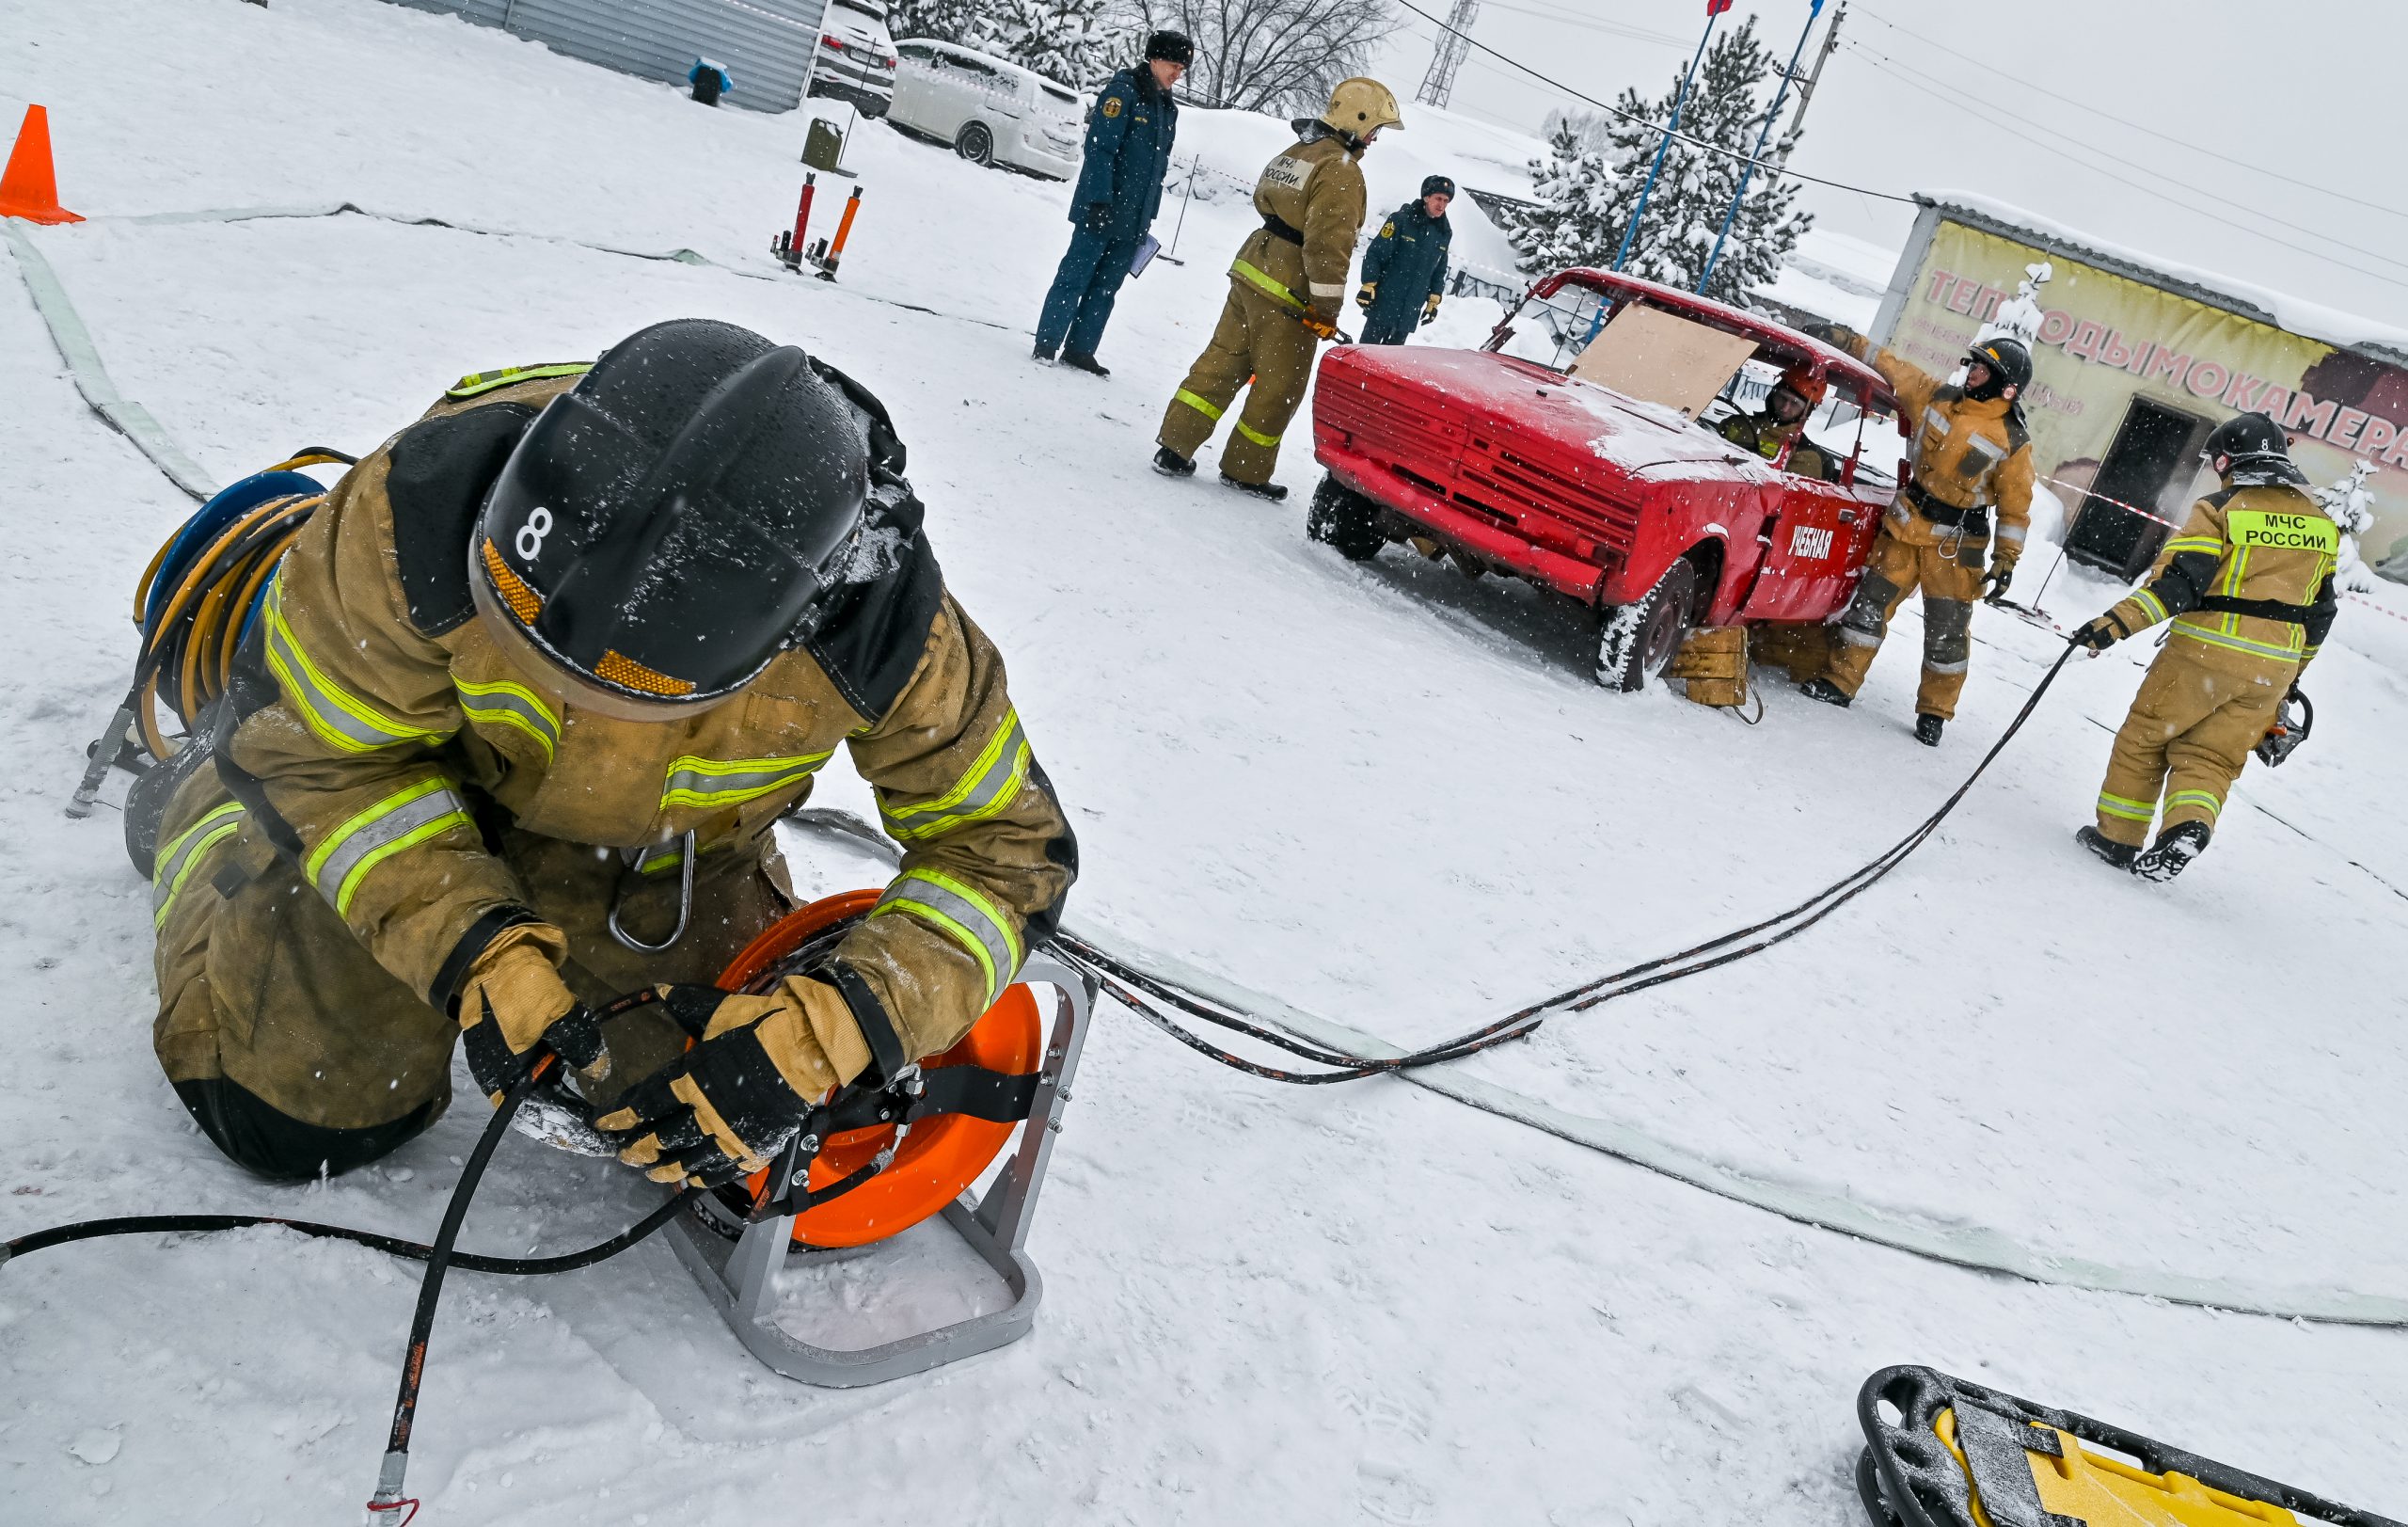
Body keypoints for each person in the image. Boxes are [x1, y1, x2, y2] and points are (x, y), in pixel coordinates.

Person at [147, 320, 1077, 1185]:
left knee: (699, 1113)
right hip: (421, 807)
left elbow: (1004, 852)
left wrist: (829, 1028)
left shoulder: (880, 630)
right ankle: (206, 810)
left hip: (660, 870)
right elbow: (326, 761)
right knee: (293, 1124)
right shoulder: (412, 516)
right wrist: (479, 950)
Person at [2070, 411, 2338, 882]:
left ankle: (2117, 839)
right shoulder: (2321, 526)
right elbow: (2320, 615)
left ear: (2227, 460)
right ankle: (2189, 826)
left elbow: (2179, 586)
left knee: (2144, 740)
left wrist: (2114, 625)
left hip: (2204, 654)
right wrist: (2292, 679)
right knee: (2211, 757)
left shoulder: (2221, 508)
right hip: (2271, 673)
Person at [1152, 77, 1400, 501]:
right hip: (1289, 291)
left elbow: (1267, 198)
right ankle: (1245, 471)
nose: (1375, 139)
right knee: (1278, 386)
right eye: (1374, 128)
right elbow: (1327, 245)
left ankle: (1174, 446)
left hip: (1253, 268)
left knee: (1221, 361)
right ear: (1357, 121)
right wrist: (1325, 309)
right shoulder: (1341, 170)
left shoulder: (1299, 150)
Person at [1798, 329, 2036, 745]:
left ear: (2006, 385)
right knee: (1867, 611)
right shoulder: (1937, 397)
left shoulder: (2012, 441)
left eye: (1983, 367)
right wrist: (1846, 341)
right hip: (1905, 530)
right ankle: (1839, 682)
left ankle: (1934, 712)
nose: (1972, 371)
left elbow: (2016, 507)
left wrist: (2007, 557)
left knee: (1947, 632)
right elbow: (1892, 366)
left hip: (1955, 549)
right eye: (1974, 363)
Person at [1033, 31, 1189, 375]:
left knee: (1106, 287)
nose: (1178, 73)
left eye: (1182, 68)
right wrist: (1100, 200)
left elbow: (1156, 169)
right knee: (1075, 277)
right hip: (1101, 209)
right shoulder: (1124, 92)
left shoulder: (1166, 108)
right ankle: (1047, 342)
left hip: (1133, 219)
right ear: (1154, 59)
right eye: (1174, 65)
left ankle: (1080, 350)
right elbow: (1100, 149)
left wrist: (1148, 216)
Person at [1354, 175, 1454, 346]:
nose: (1442, 205)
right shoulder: (1401, 220)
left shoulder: (1444, 232)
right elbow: (1376, 253)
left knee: (1390, 362)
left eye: (1446, 201)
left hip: (1411, 309)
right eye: (1438, 198)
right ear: (1426, 197)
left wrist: (1433, 301)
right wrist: (1368, 284)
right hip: (1385, 301)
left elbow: (1439, 270)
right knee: (1365, 353)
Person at [1718, 363, 1831, 481]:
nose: (1785, 408)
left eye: (1795, 404)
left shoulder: (1805, 455)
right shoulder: (1737, 422)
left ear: (1806, 412)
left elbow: (1788, 496)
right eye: (1783, 398)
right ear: (1773, 394)